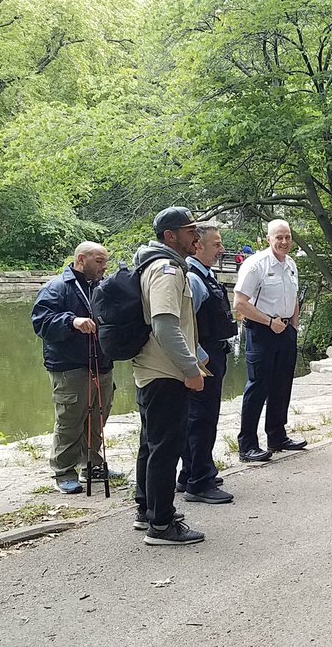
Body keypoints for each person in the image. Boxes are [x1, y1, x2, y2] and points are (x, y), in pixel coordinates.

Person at [131, 207, 206, 545]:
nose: (197, 236)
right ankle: (161, 526)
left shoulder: (156, 265)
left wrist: (198, 358)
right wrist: (190, 370)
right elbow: (164, 324)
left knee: (151, 444)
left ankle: (147, 509)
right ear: (170, 236)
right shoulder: (166, 270)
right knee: (165, 448)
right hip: (166, 373)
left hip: (152, 371)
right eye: (190, 230)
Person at [31, 241, 120, 495]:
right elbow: (41, 322)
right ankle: (64, 472)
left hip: (101, 362)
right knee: (70, 420)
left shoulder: (102, 288)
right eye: (99, 261)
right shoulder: (57, 288)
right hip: (69, 366)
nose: (105, 266)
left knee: (97, 417)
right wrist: (72, 321)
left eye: (106, 261)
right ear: (81, 260)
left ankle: (92, 465)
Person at [233, 219, 307, 462]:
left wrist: (293, 327)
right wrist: (268, 321)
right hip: (262, 330)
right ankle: (248, 445)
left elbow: (294, 296)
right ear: (269, 239)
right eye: (279, 238)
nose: (284, 242)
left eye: (287, 237)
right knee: (258, 387)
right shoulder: (256, 265)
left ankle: (277, 435)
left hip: (285, 330)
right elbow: (240, 303)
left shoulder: (291, 265)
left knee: (282, 384)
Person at [176, 223, 236, 504]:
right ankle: (199, 482)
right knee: (202, 419)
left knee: (198, 417)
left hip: (212, 353)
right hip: (206, 358)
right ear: (198, 245)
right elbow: (183, 323)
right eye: (216, 244)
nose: (221, 249)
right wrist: (200, 357)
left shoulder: (203, 275)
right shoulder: (194, 279)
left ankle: (191, 473)